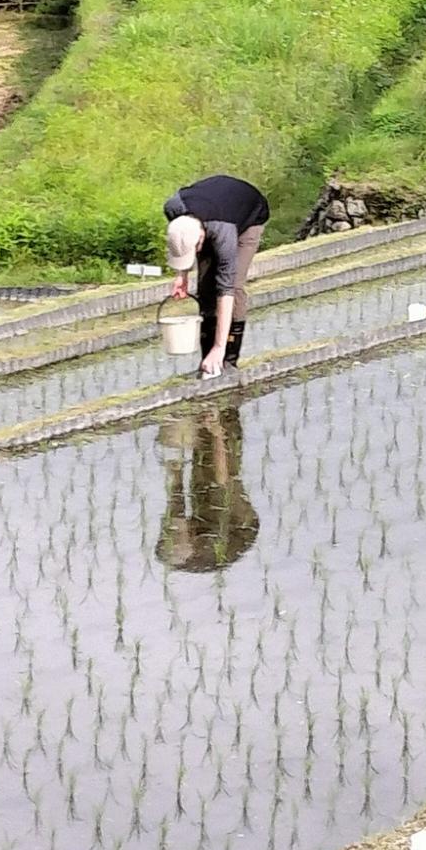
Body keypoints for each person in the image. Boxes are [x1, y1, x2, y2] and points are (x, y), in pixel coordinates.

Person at [165, 174, 270, 377]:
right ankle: (208, 359)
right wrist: (182, 275)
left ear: (201, 238)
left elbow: (226, 289)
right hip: (213, 208)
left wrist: (219, 347)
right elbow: (180, 240)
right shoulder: (173, 209)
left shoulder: (224, 232)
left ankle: (227, 358)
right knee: (204, 286)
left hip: (250, 214)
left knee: (235, 285)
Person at [155, 404, 260, 572]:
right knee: (212, 473)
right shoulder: (213, 541)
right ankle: (224, 419)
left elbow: (175, 506)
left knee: (204, 472)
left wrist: (176, 474)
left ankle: (210, 417)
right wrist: (218, 433)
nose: (173, 528)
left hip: (217, 528)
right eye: (176, 532)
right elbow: (223, 480)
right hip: (240, 526)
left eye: (171, 531)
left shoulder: (177, 542)